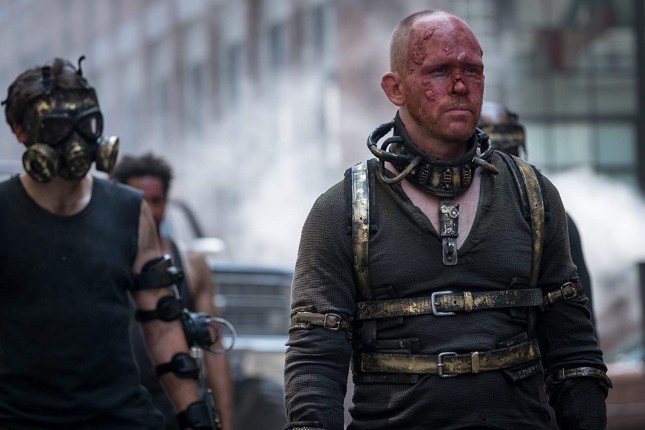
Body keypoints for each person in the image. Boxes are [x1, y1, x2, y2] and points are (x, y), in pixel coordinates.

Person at [284, 10, 611, 430]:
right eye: (439, 71)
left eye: (472, 71)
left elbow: (574, 353)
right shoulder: (341, 210)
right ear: (395, 88)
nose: (460, 86)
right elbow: (315, 361)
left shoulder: (535, 197)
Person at [0, 57, 216, 429]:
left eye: (85, 124)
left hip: (118, 417)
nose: (75, 141)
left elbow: (163, 325)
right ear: (20, 130)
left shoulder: (129, 210)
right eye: (56, 127)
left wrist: (196, 418)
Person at [111, 153, 234, 430]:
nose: (148, 211)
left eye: (155, 201)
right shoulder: (103, 262)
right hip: (117, 403)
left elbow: (214, 347)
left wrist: (225, 422)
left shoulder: (191, 265)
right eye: (139, 200)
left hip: (174, 404)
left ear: (166, 202)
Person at [478, 100, 598, 331]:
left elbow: (580, 320)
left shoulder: (548, 218)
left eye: (510, 153)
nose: (504, 165)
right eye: (496, 154)